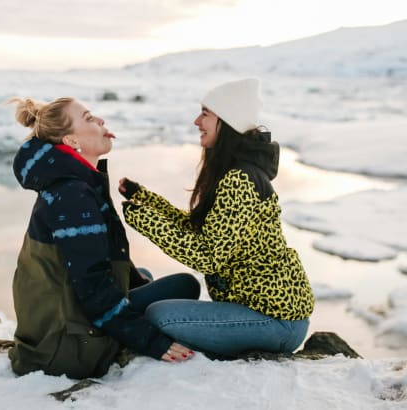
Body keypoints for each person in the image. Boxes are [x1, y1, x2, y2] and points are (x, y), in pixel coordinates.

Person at [119, 78, 315, 357]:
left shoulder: (240, 180)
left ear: (227, 120)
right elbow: (198, 229)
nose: (196, 121)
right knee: (184, 285)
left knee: (160, 316)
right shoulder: (235, 172)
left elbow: (209, 257)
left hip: (276, 321)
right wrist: (144, 199)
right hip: (258, 310)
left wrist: (144, 220)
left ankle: (125, 329)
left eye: (205, 114)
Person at [7, 96, 200, 379]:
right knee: (185, 285)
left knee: (141, 276)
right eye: (88, 118)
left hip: (55, 326)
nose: (100, 121)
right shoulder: (73, 195)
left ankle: (125, 313)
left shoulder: (72, 184)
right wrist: (151, 342)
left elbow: (98, 260)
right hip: (67, 346)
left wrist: (137, 286)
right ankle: (115, 335)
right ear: (72, 141)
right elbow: (92, 285)